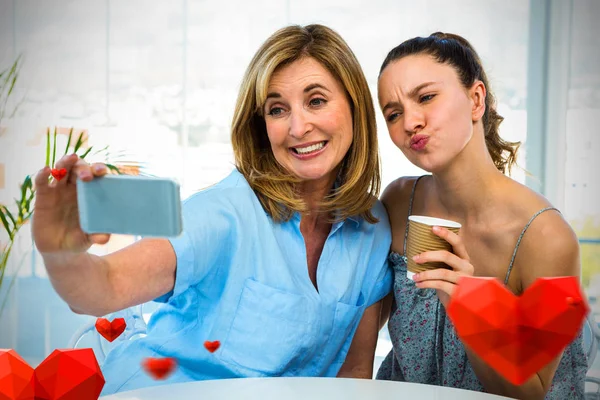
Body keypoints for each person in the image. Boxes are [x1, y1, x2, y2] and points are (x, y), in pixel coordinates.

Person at [32, 24, 392, 394]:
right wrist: (61, 252)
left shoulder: (372, 229)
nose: (298, 127)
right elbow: (103, 287)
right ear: (261, 126)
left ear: (354, 106)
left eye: (316, 101)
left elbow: (353, 373)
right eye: (277, 109)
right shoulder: (223, 213)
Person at [374, 32, 586, 399]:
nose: (410, 122)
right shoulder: (397, 201)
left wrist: (469, 308)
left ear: (476, 100)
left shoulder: (549, 238)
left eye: (426, 97)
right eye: (394, 114)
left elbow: (532, 392)